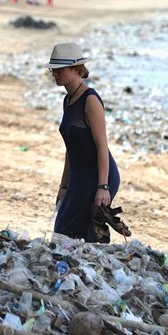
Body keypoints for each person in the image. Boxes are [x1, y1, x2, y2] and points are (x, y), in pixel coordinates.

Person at [44, 43, 122, 243]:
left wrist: (103, 187)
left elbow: (101, 147)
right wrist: (63, 186)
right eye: (53, 70)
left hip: (98, 175)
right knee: (63, 230)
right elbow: (71, 149)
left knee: (84, 234)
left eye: (60, 70)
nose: (55, 74)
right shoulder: (68, 100)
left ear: (77, 70)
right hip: (78, 177)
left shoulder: (90, 100)